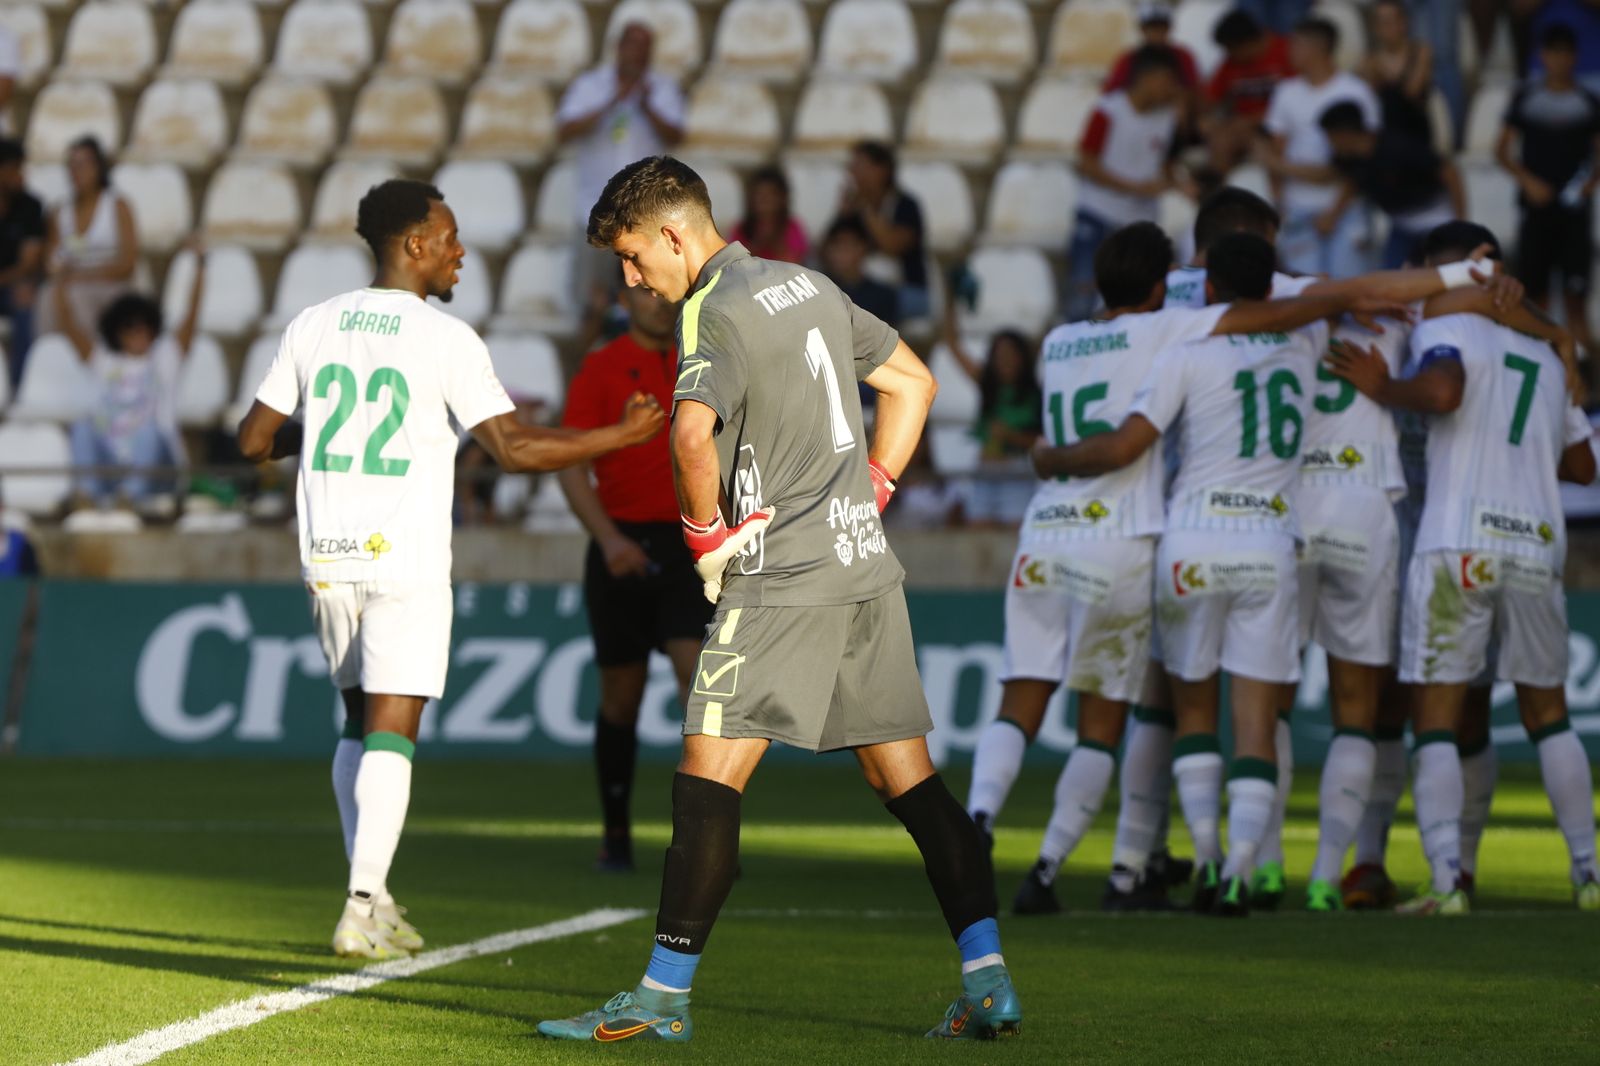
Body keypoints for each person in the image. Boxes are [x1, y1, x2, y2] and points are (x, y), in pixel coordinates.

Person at [538, 156, 1021, 1042]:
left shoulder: (710, 308)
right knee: (908, 781)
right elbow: (914, 384)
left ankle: (662, 1000)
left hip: (781, 578)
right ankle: (988, 980)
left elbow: (691, 436)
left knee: (707, 777)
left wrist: (706, 542)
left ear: (675, 234)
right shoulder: (809, 283)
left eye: (635, 256)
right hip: (862, 567)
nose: (631, 279)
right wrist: (875, 486)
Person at [236, 179, 665, 960]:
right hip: (402, 559)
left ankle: (374, 896)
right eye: (449, 237)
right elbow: (515, 448)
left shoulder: (313, 323)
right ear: (414, 245)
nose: (461, 252)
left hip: (327, 557)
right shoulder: (445, 339)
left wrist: (319, 431)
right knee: (392, 731)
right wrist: (619, 437)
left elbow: (252, 441)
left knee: (356, 722)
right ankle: (361, 905)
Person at [1032, 233, 1518, 915]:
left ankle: (1216, 862)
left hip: (1197, 534)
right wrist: (1479, 281)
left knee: (1191, 712)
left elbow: (1130, 436)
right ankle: (1312, 874)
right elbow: (1370, 295)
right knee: (1325, 712)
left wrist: (1050, 459)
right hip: (1309, 524)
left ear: (1206, 284)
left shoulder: (1186, 342)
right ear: (1274, 281)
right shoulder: (1312, 328)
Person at [965, 222, 1415, 917]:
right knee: (1203, 721)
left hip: (1080, 534)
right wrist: (1366, 294)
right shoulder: (1232, 336)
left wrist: (1047, 458)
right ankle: (1180, 869)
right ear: (1161, 289)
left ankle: (982, 820)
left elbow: (1125, 421)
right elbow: (1291, 311)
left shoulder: (1061, 341)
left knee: (1033, 699)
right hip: (1190, 539)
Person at [1327, 221, 1600, 915]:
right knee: (1550, 718)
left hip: (1456, 540)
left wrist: (1387, 388)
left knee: (1437, 719)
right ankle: (1588, 873)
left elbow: (1444, 393)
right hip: (1534, 542)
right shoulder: (1547, 355)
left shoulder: (1442, 328)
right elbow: (1582, 466)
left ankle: (1447, 879)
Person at [557, 283, 714, 873]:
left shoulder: (709, 359)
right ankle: (616, 832)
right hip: (621, 543)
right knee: (620, 700)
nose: (656, 302)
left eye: (662, 292)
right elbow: (570, 463)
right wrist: (609, 540)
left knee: (702, 692)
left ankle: (707, 837)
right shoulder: (601, 368)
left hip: (689, 546)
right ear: (625, 304)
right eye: (642, 293)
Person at [61, 244, 203, 513]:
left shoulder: (166, 356)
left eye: (144, 327)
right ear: (117, 332)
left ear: (154, 328)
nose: (138, 333)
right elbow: (69, 324)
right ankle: (86, 495)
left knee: (150, 431)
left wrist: (200, 269)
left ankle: (130, 497)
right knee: (83, 427)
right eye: (130, 327)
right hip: (113, 462)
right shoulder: (103, 360)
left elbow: (192, 316)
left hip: (158, 466)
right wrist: (60, 282)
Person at [557, 21, 686, 314]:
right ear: (619, 47)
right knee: (592, 302)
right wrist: (612, 100)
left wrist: (647, 106)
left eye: (644, 48)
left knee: (648, 301)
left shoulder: (661, 88)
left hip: (647, 217)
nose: (637, 54)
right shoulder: (591, 85)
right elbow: (565, 130)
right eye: (632, 46)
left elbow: (676, 136)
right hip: (594, 210)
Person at [1497, 22, 1600, 355]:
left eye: (1565, 53)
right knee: (1533, 303)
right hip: (1536, 213)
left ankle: (1587, 379)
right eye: (1553, 53)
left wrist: (1588, 185)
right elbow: (1502, 150)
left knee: (1576, 306)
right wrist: (1529, 182)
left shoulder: (1588, 102)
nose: (1559, 60)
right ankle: (1539, 370)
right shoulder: (1526, 98)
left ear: (1574, 57)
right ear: (1543, 56)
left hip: (1574, 216)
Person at [1066, 46, 1190, 320]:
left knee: (1142, 301)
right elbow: (1086, 163)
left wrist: (1179, 185)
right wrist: (1136, 188)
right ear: (1149, 77)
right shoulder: (1108, 110)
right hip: (1099, 213)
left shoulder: (1168, 116)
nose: (1171, 89)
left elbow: (1164, 162)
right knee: (1083, 291)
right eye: (1168, 80)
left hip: (1141, 222)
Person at [1263, 17, 1383, 279]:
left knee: (1350, 288)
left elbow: (1364, 159)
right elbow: (1275, 151)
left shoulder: (1356, 91)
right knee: (1304, 292)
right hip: (1298, 209)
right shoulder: (1285, 92)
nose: (1289, 51)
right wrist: (1279, 205)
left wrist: (1335, 210)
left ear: (1317, 48)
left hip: (1347, 208)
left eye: (1296, 45)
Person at [1320, 101, 1465, 268]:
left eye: (1331, 138)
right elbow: (1352, 184)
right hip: (1402, 226)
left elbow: (1448, 171)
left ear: (1344, 134)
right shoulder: (1350, 159)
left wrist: (1460, 221)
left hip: (1436, 221)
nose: (1330, 144)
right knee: (1393, 273)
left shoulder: (1397, 146)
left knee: (1439, 273)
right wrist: (1333, 216)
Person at [939, 298, 1040, 527]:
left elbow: (1041, 440)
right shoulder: (988, 386)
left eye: (1010, 354)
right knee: (978, 535)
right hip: (985, 472)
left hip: (1017, 473)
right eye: (999, 355)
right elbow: (953, 345)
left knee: (1013, 536)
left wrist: (1010, 436)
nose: (1005, 360)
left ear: (1022, 358)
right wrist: (950, 300)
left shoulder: (1035, 394)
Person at [36, 137, 138, 340]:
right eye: (72, 165)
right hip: (71, 282)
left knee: (77, 297)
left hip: (112, 284)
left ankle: (88, 356)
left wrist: (84, 276)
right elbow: (51, 260)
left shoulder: (117, 206)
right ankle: (48, 351)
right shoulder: (59, 211)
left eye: (83, 164)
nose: (76, 171)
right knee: (47, 296)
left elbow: (128, 264)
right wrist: (56, 268)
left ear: (99, 168)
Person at [833, 141, 929, 319]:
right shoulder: (852, 210)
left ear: (883, 170)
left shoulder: (906, 206)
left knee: (866, 305)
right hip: (862, 289)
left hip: (905, 290)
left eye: (861, 166)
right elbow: (830, 252)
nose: (855, 173)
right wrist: (842, 217)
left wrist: (866, 209)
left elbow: (892, 246)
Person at [1204, 11, 1297, 175]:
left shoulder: (1287, 52)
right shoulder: (1231, 62)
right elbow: (1211, 97)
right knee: (1221, 139)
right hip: (1243, 128)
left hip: (1281, 127)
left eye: (1231, 49)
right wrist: (1208, 120)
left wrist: (1251, 120)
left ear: (1247, 43)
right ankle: (1221, 185)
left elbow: (1300, 102)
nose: (1229, 54)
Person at [0, 138, 43, 388]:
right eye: (14, 168)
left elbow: (28, 264)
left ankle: (21, 384)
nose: (20, 175)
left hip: (10, 287)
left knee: (25, 300)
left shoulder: (30, 206)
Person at [1362, 0, 1435, 142]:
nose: (1385, 28)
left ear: (1403, 23)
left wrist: (1380, 73)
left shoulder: (1421, 52)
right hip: (1384, 131)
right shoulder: (1369, 60)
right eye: (1380, 23)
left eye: (1389, 21)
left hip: (1414, 129)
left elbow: (1412, 92)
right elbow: (1369, 101)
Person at [818, 216, 898, 330]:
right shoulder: (820, 291)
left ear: (863, 248)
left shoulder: (883, 296)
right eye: (836, 245)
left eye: (847, 246)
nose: (840, 253)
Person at [728, 166, 807, 265]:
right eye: (760, 195)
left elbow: (796, 264)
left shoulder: (792, 227)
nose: (765, 200)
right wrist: (756, 245)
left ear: (783, 198)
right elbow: (734, 264)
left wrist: (776, 244)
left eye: (771, 194)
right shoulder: (741, 229)